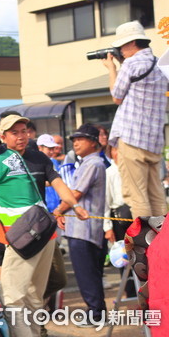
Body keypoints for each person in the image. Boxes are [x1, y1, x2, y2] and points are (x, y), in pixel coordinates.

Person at [0, 119, 84, 337]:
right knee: (33, 295)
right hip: (45, 230)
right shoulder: (11, 156)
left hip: (25, 236)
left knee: (12, 297)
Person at [103, 20, 168, 218]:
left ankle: (145, 245)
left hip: (132, 139)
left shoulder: (131, 64)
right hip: (153, 142)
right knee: (156, 195)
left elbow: (116, 95)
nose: (120, 51)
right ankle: (163, 242)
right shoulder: (160, 67)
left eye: (121, 46)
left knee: (137, 196)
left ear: (132, 43)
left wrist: (112, 69)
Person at [53, 124, 107, 326]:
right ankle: (97, 312)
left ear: (93, 142)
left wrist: (57, 211)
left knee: (87, 274)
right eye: (74, 139)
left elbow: (75, 194)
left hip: (84, 230)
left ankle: (96, 314)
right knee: (90, 273)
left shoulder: (93, 163)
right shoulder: (87, 162)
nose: (75, 142)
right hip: (83, 228)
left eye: (80, 138)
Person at [104, 146, 137, 297]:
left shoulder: (134, 169)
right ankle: (130, 293)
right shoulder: (109, 172)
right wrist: (108, 227)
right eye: (115, 149)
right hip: (118, 219)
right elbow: (106, 202)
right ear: (111, 152)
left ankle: (144, 293)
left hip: (137, 217)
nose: (119, 153)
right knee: (124, 257)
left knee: (141, 256)